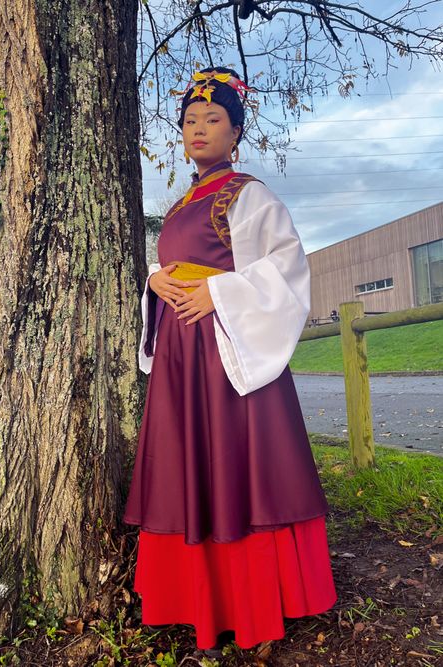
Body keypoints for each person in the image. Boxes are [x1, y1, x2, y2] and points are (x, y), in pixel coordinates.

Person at [123, 66, 337, 657]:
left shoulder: (248, 195)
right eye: (190, 120)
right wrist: (154, 282)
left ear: (235, 131)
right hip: (181, 354)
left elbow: (286, 269)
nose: (198, 129)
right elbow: (171, 266)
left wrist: (218, 293)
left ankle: (251, 602)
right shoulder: (178, 206)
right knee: (190, 464)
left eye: (212, 119)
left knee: (238, 465)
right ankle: (195, 598)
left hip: (226, 353)